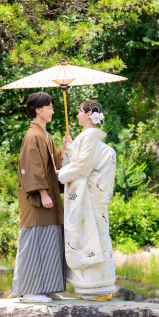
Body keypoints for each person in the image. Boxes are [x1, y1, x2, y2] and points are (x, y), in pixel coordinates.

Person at [11, 92, 73, 303]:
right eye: (49, 107)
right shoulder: (32, 135)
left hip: (47, 197)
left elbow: (52, 162)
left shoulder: (44, 134)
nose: (52, 111)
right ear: (38, 109)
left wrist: (63, 149)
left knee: (50, 240)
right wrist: (43, 193)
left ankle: (46, 287)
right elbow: (32, 166)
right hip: (37, 199)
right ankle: (30, 290)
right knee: (35, 239)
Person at [58, 100, 116, 301]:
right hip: (92, 198)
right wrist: (70, 147)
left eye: (79, 112)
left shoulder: (90, 137)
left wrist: (60, 174)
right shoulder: (90, 138)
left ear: (89, 114)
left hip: (89, 199)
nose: (76, 115)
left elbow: (83, 165)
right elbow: (83, 160)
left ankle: (95, 288)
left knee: (92, 241)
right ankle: (100, 287)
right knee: (96, 238)